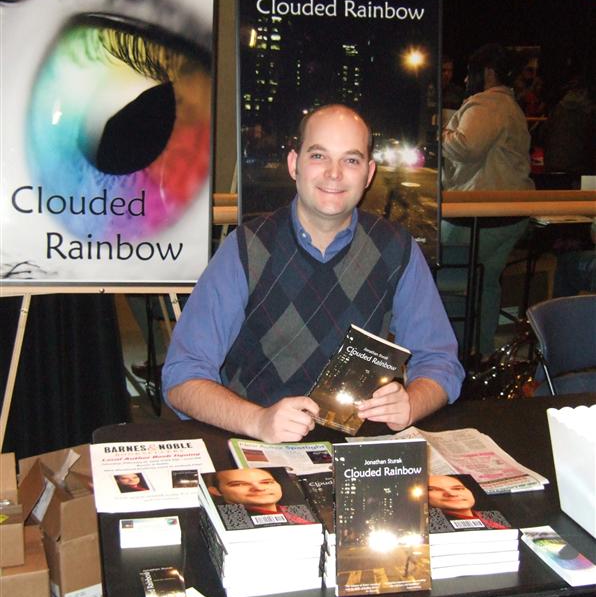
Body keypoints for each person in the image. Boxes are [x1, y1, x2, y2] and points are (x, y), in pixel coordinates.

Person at [163, 104, 464, 442]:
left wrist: (410, 404)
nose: (334, 174)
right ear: (294, 164)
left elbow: (440, 361)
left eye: (351, 160)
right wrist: (258, 420)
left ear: (369, 174)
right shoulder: (246, 249)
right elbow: (182, 375)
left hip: (359, 445)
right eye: (319, 156)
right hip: (258, 444)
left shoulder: (397, 250)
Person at [442, 43, 535, 360]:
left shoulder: (487, 104)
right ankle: (482, 352)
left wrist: (438, 132)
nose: (467, 79)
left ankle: (447, 355)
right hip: (511, 215)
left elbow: (466, 147)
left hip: (480, 215)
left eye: (471, 72)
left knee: (441, 274)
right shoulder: (511, 105)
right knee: (487, 282)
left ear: (488, 72)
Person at [206, 468, 314, 524]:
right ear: (216, 491)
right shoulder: (224, 520)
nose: (259, 488)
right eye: (239, 484)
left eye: (266, 482)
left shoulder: (296, 512)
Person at [428, 474, 507, 529]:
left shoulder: (491, 518)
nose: (452, 494)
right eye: (432, 490)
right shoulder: (433, 525)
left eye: (457, 488)